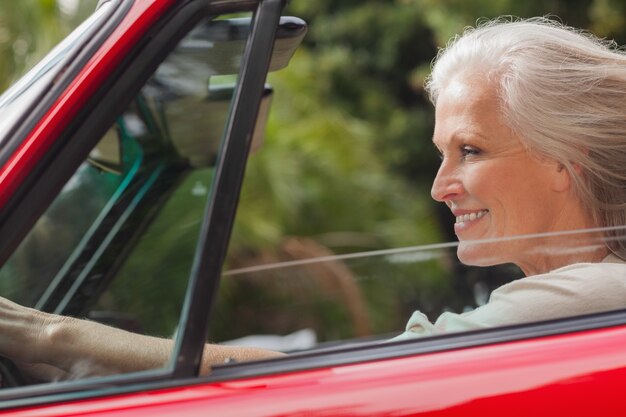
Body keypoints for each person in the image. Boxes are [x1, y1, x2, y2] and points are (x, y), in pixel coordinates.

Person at [0, 16, 625, 380]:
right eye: (442, 153)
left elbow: (341, 383)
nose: (440, 186)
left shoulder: (586, 298)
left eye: (471, 150)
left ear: (565, 161)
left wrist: (46, 334)